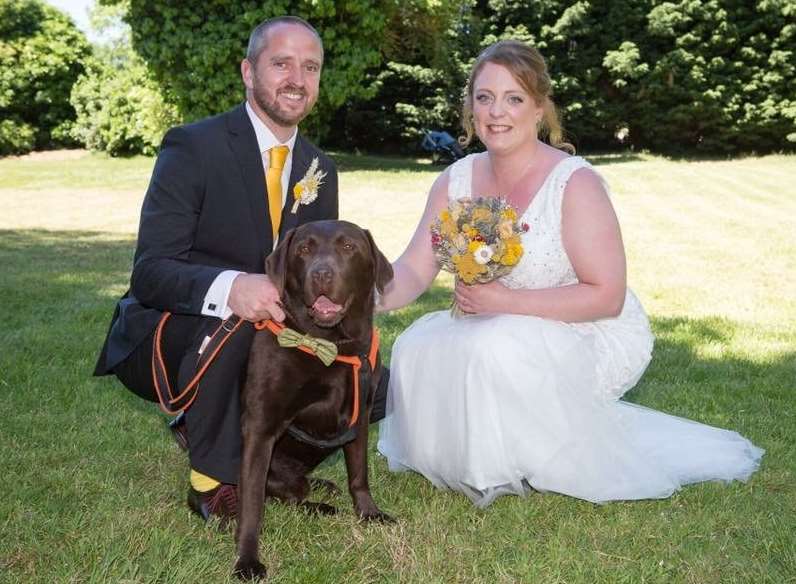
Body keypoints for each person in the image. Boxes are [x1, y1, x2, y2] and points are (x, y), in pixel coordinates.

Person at [376, 40, 763, 507]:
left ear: (539, 108)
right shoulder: (454, 181)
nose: (497, 112)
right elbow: (413, 270)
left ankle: (514, 456)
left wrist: (505, 303)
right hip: (491, 322)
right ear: (470, 108)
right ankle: (481, 450)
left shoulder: (573, 183)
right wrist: (354, 294)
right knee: (418, 344)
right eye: (484, 97)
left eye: (514, 98)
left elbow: (607, 296)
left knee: (490, 345)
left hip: (582, 326)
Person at [94, 16, 340, 523]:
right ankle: (212, 479)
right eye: (281, 63)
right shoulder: (193, 147)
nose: (297, 78)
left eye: (310, 67)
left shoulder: (320, 168)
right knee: (241, 328)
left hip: (271, 329)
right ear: (248, 72)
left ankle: (273, 468)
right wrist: (231, 288)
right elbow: (151, 272)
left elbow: (316, 268)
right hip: (175, 329)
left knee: (366, 377)